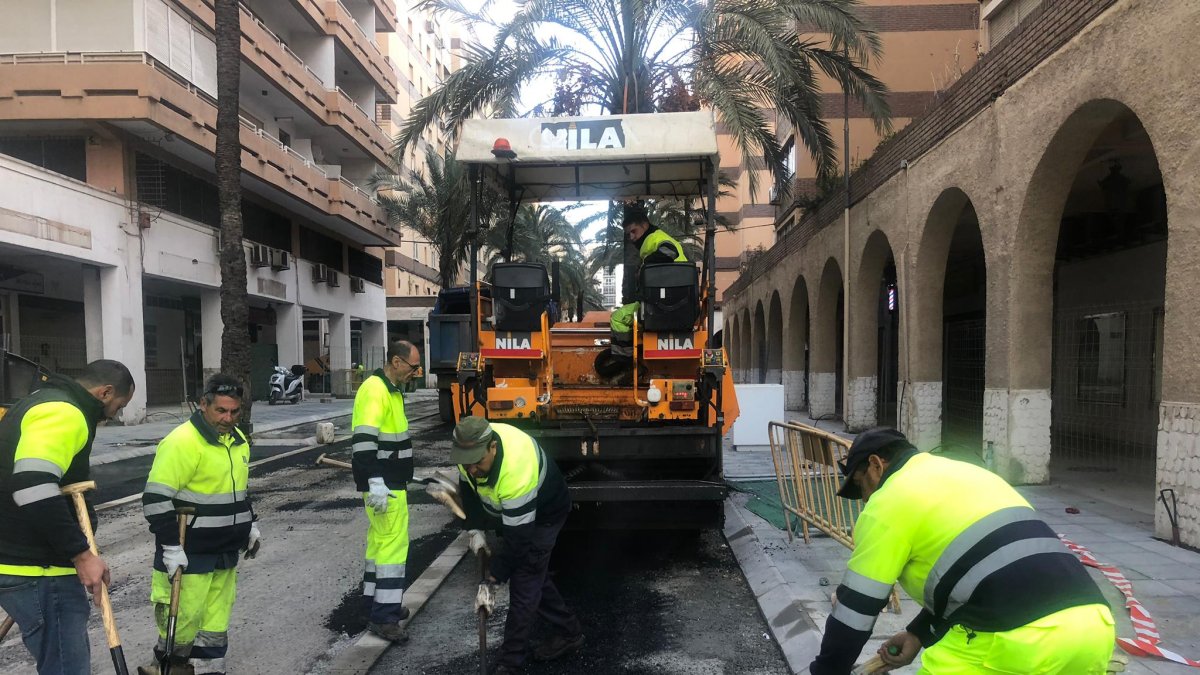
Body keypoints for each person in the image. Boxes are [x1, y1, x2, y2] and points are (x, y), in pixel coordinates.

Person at [809, 428, 1115, 675]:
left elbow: (855, 610)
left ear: (876, 465)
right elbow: (988, 574)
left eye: (862, 487)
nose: (865, 499)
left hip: (1012, 641)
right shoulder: (971, 475)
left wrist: (827, 671)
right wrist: (918, 635)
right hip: (1093, 631)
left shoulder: (888, 501)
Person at [0, 360, 135, 675]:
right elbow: (32, 483)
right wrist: (81, 554)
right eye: (118, 405)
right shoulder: (65, 412)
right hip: (39, 569)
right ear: (105, 392)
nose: (114, 414)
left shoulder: (41, 401)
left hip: (24, 561)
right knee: (66, 667)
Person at [139, 374, 260, 675]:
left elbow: (238, 492)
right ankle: (168, 670)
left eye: (234, 411)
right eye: (221, 410)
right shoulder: (182, 442)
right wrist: (170, 548)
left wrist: (250, 526)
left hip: (226, 553)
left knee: (215, 625)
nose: (228, 418)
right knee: (182, 625)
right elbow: (155, 499)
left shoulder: (238, 441)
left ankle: (209, 670)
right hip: (189, 555)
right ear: (204, 404)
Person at [451, 416, 583, 675]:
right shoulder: (468, 452)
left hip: (545, 514)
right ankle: (569, 632)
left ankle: (509, 662)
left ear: (493, 448)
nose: (473, 470)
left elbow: (518, 542)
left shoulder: (515, 470)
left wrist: (492, 579)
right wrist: (473, 528)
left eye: (478, 463)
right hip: (513, 516)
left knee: (524, 580)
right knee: (534, 578)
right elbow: (467, 488)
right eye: (467, 464)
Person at [352, 340, 422, 641]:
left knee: (379, 545)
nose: (417, 373)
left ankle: (375, 604)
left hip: (389, 481)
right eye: (413, 367)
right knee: (393, 547)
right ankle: (384, 616)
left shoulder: (391, 391)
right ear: (396, 361)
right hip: (385, 485)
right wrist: (375, 481)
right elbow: (364, 441)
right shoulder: (375, 390)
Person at [608, 204, 686, 358]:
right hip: (678, 300)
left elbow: (670, 251)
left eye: (633, 231)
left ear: (645, 225)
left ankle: (624, 359)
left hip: (661, 303)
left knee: (618, 317)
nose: (631, 237)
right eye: (628, 234)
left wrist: (645, 268)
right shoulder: (653, 240)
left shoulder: (655, 238)